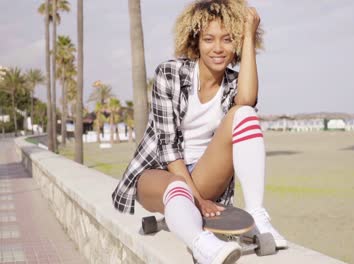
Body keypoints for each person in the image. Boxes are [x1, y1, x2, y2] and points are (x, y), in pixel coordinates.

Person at [112, 1, 287, 263]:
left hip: (205, 175)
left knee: (245, 113)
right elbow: (169, 150)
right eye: (209, 39)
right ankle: (203, 245)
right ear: (195, 42)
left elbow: (247, 99)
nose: (218, 48)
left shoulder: (232, 85)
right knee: (177, 187)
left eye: (228, 40)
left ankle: (258, 216)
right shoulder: (170, 74)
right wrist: (196, 198)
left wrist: (248, 33)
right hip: (159, 176)